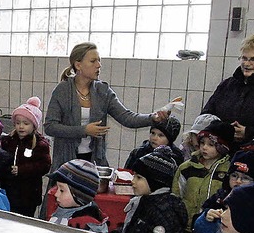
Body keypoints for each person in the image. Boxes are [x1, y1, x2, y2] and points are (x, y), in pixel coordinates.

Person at [43, 42, 169, 170]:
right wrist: (84, 130)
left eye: (99, 60)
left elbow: (127, 117)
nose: (99, 65)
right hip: (66, 161)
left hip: (95, 160)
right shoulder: (63, 90)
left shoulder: (103, 91)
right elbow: (50, 127)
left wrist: (152, 117)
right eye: (93, 61)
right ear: (78, 65)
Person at [202, 33, 254, 148]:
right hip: (221, 149)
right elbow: (207, 114)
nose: (246, 64)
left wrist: (249, 132)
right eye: (244, 58)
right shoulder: (228, 85)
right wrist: (224, 130)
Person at [172, 121, 234, 233]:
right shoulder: (186, 167)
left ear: (223, 147)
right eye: (202, 143)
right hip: (185, 228)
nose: (204, 147)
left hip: (213, 231)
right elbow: (176, 195)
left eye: (211, 144)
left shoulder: (229, 171)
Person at [193, 148, 254, 233]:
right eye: (234, 176)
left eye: (245, 178)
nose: (238, 181)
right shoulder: (218, 198)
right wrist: (206, 219)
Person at [121, 146, 188, 233]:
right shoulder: (145, 200)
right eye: (133, 176)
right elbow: (134, 228)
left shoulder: (163, 210)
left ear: (155, 182)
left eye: (139, 177)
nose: (133, 181)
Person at [0, 96, 51, 217]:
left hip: (29, 195)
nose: (21, 126)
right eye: (18, 123)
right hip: (9, 192)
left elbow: (44, 166)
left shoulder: (39, 144)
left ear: (34, 125)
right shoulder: (9, 140)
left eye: (26, 123)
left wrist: (22, 169)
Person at [45, 159, 108, 233]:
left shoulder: (86, 226)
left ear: (79, 196)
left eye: (62, 190)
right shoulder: (62, 209)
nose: (56, 194)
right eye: (57, 188)